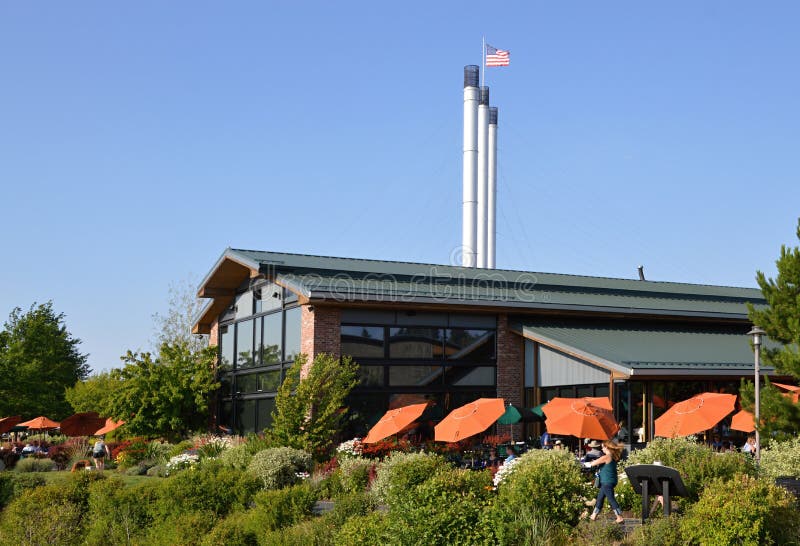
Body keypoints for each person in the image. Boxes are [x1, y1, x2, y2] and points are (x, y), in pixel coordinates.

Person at [584, 440, 625, 524]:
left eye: (603, 447)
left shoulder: (607, 457)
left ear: (607, 447)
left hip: (607, 481)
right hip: (608, 481)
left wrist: (580, 464)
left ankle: (619, 517)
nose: (602, 449)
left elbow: (592, 464)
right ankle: (593, 515)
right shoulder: (612, 457)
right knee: (600, 499)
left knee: (611, 498)